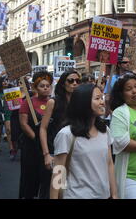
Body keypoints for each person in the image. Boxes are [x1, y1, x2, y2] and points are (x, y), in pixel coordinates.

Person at [50, 84, 117, 199]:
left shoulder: (105, 130)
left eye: (102, 98)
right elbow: (59, 172)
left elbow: (109, 163)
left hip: (103, 195)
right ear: (83, 102)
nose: (102, 102)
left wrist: (114, 194)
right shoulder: (66, 134)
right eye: (97, 98)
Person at [39, 70, 81, 198]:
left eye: (77, 81)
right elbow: (43, 128)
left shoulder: (82, 102)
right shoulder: (53, 102)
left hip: (76, 151)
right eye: (71, 80)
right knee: (57, 186)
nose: (74, 83)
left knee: (72, 187)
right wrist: (46, 154)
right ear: (63, 83)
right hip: (57, 151)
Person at [19, 71, 53, 199]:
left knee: (50, 177)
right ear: (35, 88)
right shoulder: (28, 102)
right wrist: (36, 138)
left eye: (48, 85)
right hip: (32, 146)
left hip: (49, 145)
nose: (45, 88)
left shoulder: (53, 102)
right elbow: (24, 124)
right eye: (42, 86)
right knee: (31, 176)